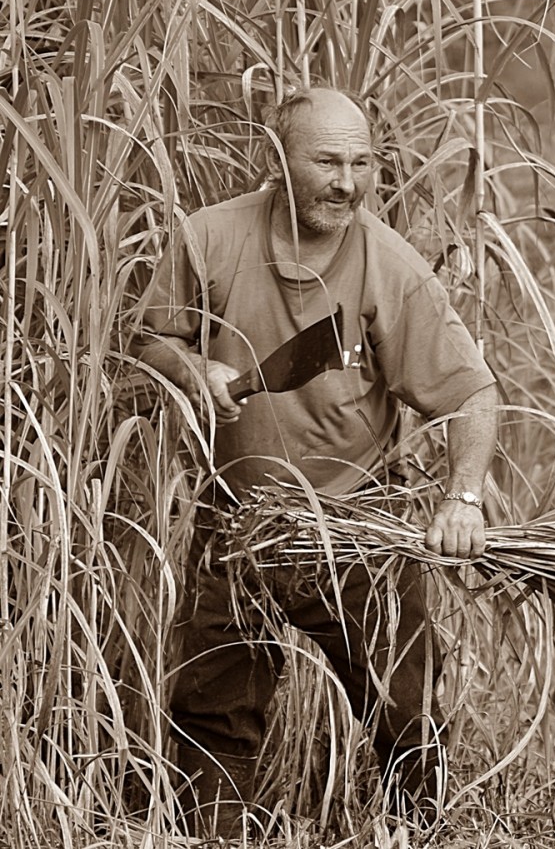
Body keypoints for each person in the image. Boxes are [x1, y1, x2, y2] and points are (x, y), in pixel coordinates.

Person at [133, 85, 497, 837]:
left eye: (363, 163)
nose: (348, 183)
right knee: (212, 719)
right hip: (237, 525)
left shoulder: (391, 266)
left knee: (409, 715)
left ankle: (415, 833)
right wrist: (190, 368)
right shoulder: (209, 236)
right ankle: (214, 836)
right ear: (279, 159)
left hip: (358, 527)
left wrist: (463, 497)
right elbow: (150, 335)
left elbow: (471, 392)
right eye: (328, 161)